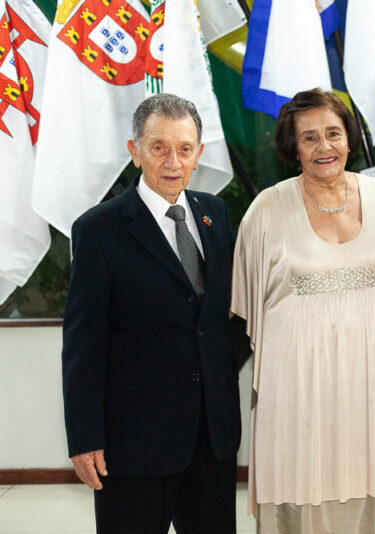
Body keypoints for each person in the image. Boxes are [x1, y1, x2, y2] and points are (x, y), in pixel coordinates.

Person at [231, 89, 375, 534]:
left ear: (350, 138)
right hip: (298, 394)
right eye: (309, 137)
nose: (323, 146)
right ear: (292, 147)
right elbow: (243, 313)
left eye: (333, 133)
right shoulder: (266, 209)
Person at [62, 93, 241, 533]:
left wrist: (217, 374)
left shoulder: (215, 214)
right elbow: (84, 345)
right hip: (133, 444)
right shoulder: (98, 230)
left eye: (184, 148)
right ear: (135, 150)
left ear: (199, 154)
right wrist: (85, 439)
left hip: (212, 440)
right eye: (159, 147)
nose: (173, 162)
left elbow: (224, 317)